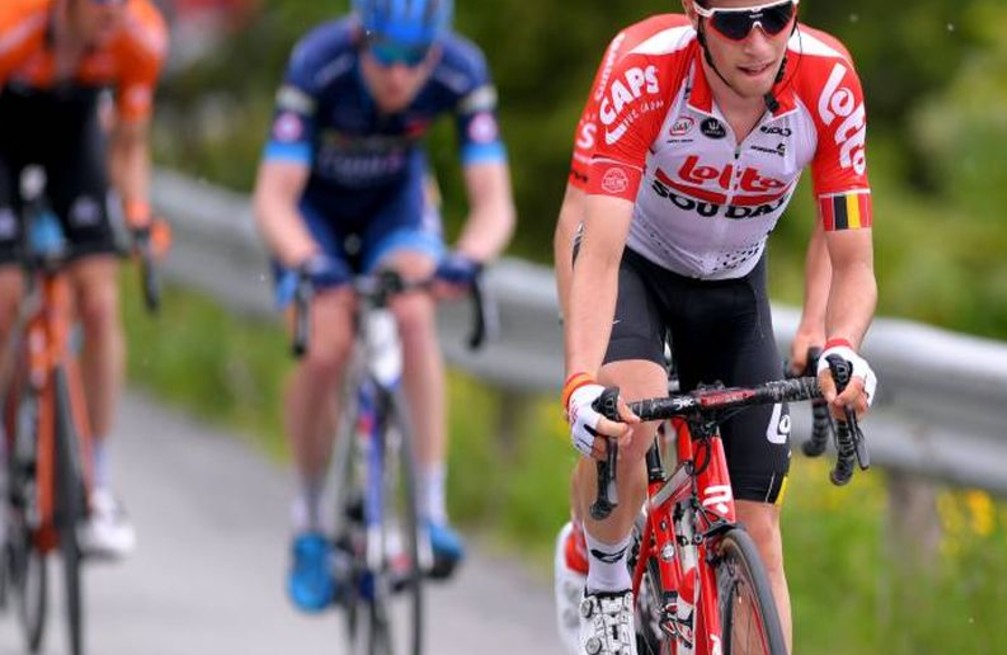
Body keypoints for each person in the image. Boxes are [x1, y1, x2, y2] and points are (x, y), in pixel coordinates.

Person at [559, 1, 879, 652]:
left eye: (776, 15)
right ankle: (605, 573)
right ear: (696, 19)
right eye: (734, 23)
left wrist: (841, 344)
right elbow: (597, 251)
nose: (758, 40)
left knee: (759, 531)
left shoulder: (830, 82)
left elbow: (854, 259)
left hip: (735, 285)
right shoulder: (647, 71)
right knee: (630, 414)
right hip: (637, 267)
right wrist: (581, 381)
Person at [250, 0, 515, 612]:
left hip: (394, 209)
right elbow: (273, 197)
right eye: (385, 56)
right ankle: (311, 517)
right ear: (357, 38)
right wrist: (308, 263)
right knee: (326, 350)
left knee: (415, 314)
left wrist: (469, 258)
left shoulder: (460, 69)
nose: (400, 76)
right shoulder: (320, 62)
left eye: (415, 59)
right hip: (311, 212)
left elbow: (494, 201)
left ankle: (429, 509)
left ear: (436, 51)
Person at [0, 0, 170, 558]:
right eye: (101, 2)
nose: (113, 15)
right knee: (4, 295)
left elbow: (130, 141)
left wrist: (138, 214)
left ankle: (96, 483)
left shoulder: (139, 35)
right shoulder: (14, 24)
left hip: (73, 140)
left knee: (98, 299)